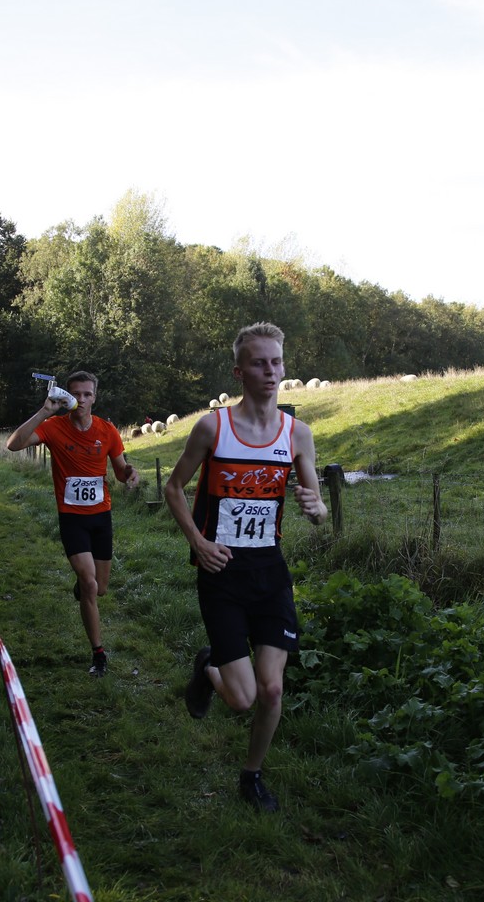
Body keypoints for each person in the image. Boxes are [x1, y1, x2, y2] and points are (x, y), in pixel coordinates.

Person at [164, 321, 327, 813]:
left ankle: (251, 776)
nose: (270, 371)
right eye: (259, 363)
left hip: (270, 572)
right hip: (222, 572)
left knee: (272, 688)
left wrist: (315, 507)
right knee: (242, 698)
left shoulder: (297, 434)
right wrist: (198, 541)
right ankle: (208, 666)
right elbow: (173, 488)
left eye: (276, 362)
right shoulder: (213, 428)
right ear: (239, 372)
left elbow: (317, 506)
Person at [6, 373, 140, 676]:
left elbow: (120, 471)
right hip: (72, 518)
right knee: (90, 585)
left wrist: (130, 474)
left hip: (101, 517)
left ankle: (84, 585)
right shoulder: (54, 427)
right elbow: (13, 445)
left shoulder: (107, 431)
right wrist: (44, 411)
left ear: (94, 398)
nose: (81, 399)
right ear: (67, 396)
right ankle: (99, 654)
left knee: (99, 588)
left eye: (87, 394)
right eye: (76, 394)